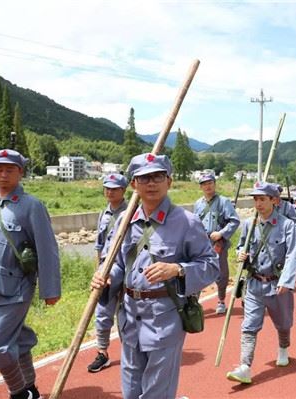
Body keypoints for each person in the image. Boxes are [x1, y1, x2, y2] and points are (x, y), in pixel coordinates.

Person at [91, 153, 219, 399]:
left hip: (165, 321)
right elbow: (116, 264)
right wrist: (105, 277)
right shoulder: (123, 223)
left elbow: (211, 266)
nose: (151, 183)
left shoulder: (187, 222)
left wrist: (178, 269)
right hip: (130, 320)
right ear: (133, 185)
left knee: (155, 395)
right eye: (144, 178)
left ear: (169, 182)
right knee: (130, 393)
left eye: (157, 176)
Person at [0, 149, 61, 399]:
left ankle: (20, 393)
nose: (3, 174)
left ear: (20, 172)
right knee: (18, 339)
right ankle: (32, 388)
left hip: (17, 289)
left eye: (9, 169)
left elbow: (48, 251)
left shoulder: (31, 206)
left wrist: (50, 291)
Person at [226, 182, 296, 384]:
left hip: (277, 285)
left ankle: (283, 347)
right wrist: (241, 253)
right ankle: (245, 367)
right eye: (255, 199)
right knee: (249, 325)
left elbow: (293, 253)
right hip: (254, 283)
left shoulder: (287, 225)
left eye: (262, 199)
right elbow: (242, 245)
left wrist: (286, 280)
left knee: (283, 323)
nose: (258, 203)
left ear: (274, 201)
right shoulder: (249, 224)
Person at [87, 173, 129, 373]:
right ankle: (102, 352)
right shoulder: (104, 213)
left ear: (124, 190)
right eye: (107, 188)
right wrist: (100, 268)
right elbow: (99, 244)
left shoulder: (131, 211)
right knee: (103, 310)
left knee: (127, 312)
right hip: (107, 270)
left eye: (114, 188)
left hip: (126, 268)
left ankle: (131, 352)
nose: (110, 192)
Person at [193, 172, 240, 315]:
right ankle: (195, 302)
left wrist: (221, 233)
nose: (207, 186)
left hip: (218, 242)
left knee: (221, 272)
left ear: (214, 184)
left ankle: (220, 300)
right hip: (201, 242)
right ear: (200, 186)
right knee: (198, 270)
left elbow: (234, 221)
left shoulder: (223, 201)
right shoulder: (198, 204)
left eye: (210, 183)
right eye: (204, 184)